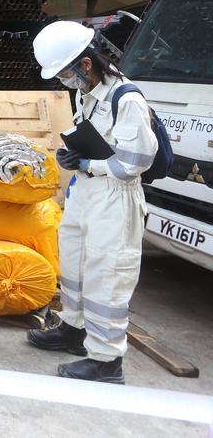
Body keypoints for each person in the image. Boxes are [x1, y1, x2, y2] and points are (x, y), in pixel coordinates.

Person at [27, 20, 157, 384]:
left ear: (86, 64)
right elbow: (88, 138)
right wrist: (70, 158)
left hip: (115, 199)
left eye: (66, 74)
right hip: (85, 192)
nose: (64, 83)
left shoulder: (126, 98)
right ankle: (73, 329)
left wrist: (89, 163)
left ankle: (106, 361)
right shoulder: (87, 94)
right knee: (75, 264)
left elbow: (134, 162)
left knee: (106, 274)